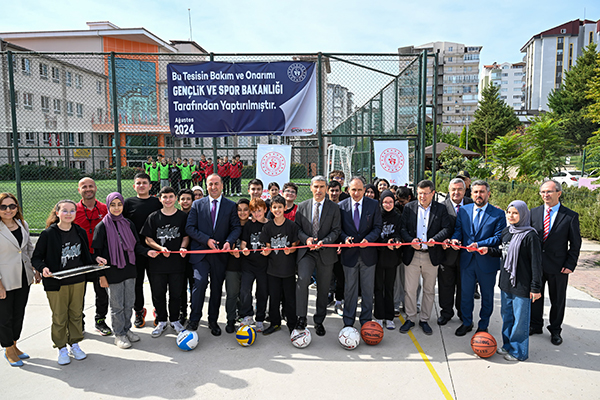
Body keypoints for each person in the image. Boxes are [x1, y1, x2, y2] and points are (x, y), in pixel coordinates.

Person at [32, 200, 105, 365]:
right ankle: (61, 348)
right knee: (59, 316)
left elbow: (85, 255)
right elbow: (36, 258)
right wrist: (43, 268)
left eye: (72, 211)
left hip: (77, 280)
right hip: (57, 283)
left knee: (76, 313)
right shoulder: (48, 234)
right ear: (57, 212)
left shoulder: (79, 231)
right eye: (65, 211)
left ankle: (75, 343)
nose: (69, 214)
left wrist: (95, 258)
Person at [92, 192, 158, 349]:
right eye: (113, 205)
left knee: (129, 303)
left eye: (119, 204)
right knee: (117, 306)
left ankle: (126, 330)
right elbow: (96, 254)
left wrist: (147, 251)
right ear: (108, 206)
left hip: (129, 269)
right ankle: (119, 334)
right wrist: (101, 275)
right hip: (113, 271)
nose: (116, 208)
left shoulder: (128, 223)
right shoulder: (101, 227)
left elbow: (135, 245)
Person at [480, 200, 542, 361]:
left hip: (522, 284)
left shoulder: (530, 236)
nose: (511, 216)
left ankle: (518, 351)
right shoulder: (507, 232)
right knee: (507, 317)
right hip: (506, 282)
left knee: (520, 320)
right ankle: (507, 345)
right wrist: (488, 250)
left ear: (523, 214)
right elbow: (503, 252)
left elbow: (536, 263)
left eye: (515, 213)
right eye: (509, 212)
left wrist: (536, 288)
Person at [447, 180, 506, 336]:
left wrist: (480, 244)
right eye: (475, 192)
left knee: (487, 297)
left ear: (488, 193)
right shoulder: (464, 211)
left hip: (487, 262)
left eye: (481, 192)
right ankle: (467, 322)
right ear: (470, 193)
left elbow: (499, 237)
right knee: (465, 295)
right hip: (467, 261)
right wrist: (455, 239)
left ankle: (483, 325)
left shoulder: (498, 214)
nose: (478, 195)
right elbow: (458, 230)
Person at [185, 174, 241, 335]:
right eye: (210, 184)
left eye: (216, 184)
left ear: (222, 186)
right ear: (207, 186)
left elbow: (236, 227)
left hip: (220, 254)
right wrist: (206, 240)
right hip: (201, 253)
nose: (213, 187)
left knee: (217, 288)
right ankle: (194, 319)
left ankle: (213, 321)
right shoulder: (197, 204)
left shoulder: (230, 206)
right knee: (200, 282)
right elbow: (190, 227)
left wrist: (229, 242)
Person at [530, 180, 581, 346]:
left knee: (557, 300)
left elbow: (575, 243)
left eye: (549, 192)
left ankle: (556, 330)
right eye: (543, 192)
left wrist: (570, 264)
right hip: (537, 265)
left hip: (559, 266)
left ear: (559, 193)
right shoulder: (534, 213)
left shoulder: (570, 216)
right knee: (535, 297)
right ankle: (536, 325)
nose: (546, 195)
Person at [399, 180, 451, 335]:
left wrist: (435, 239)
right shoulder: (409, 207)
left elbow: (447, 228)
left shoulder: (441, 209)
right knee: (410, 289)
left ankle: (424, 319)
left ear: (433, 193)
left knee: (429, 290)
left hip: (431, 256)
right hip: (412, 255)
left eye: (425, 193)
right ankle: (410, 318)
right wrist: (410, 240)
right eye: (419, 193)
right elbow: (402, 228)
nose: (422, 196)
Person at [295, 176, 341, 336]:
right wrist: (306, 239)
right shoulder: (302, 206)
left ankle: (319, 321)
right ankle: (301, 318)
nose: (319, 190)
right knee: (302, 280)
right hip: (307, 252)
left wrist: (324, 241)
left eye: (322, 187)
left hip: (325, 252)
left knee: (323, 287)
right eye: (316, 186)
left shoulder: (334, 208)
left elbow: (336, 230)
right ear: (310, 187)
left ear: (326, 189)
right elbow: (298, 228)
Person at [142, 186, 190, 337]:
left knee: (176, 294)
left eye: (170, 197)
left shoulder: (182, 217)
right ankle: (162, 320)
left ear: (175, 198)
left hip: (177, 264)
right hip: (158, 265)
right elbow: (148, 239)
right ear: (160, 199)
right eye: (165, 197)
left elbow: (186, 236)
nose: (168, 200)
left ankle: (175, 320)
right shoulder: (153, 217)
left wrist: (182, 248)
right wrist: (160, 248)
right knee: (158, 293)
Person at [0, 193, 40, 367]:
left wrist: (36, 269)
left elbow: (29, 249)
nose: (8, 210)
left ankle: (15, 345)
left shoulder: (22, 224)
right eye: (3, 207)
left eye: (12, 206)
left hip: (23, 277)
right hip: (4, 279)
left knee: (18, 313)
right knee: (4, 316)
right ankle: (8, 349)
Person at [338, 176, 382, 327]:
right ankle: (348, 322)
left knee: (368, 291)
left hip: (368, 255)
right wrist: (344, 239)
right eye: (353, 190)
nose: (356, 193)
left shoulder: (374, 204)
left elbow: (377, 227)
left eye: (359, 190)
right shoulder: (341, 206)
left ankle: (366, 321)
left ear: (364, 190)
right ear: (348, 190)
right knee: (349, 290)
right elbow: (339, 229)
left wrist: (369, 239)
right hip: (349, 255)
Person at [123, 173, 162, 328]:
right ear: (134, 186)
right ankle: (139, 311)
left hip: (154, 250)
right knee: (137, 283)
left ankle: (159, 310)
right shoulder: (128, 203)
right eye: (138, 183)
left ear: (150, 186)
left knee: (157, 283)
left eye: (144, 183)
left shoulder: (157, 202)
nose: (141, 185)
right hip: (135, 251)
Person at [74, 177, 111, 336]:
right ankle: (78, 322)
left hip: (99, 257)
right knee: (77, 294)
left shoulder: (105, 208)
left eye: (91, 186)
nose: (88, 189)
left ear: (96, 188)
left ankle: (100, 320)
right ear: (79, 190)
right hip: (79, 259)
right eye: (84, 187)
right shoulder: (72, 210)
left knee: (101, 291)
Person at [260, 195, 299, 335]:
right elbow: (268, 247)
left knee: (290, 299)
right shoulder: (268, 226)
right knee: (274, 298)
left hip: (288, 270)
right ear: (271, 209)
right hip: (273, 270)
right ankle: (275, 323)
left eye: (280, 207)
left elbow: (295, 246)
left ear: (285, 208)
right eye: (274, 207)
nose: (277, 210)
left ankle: (292, 324)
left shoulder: (291, 226)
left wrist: (291, 250)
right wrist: (266, 252)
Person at [437, 178, 473, 326]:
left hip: (466, 255)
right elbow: (436, 228)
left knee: (464, 287)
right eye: (453, 189)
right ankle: (446, 313)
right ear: (449, 190)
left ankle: (463, 313)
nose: (456, 192)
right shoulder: (441, 207)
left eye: (460, 189)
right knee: (446, 286)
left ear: (465, 191)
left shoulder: (472, 204)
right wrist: (443, 241)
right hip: (447, 255)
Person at [238, 198, 268, 333]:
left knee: (262, 292)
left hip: (263, 265)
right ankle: (248, 315)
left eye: (259, 211)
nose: (256, 214)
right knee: (245, 290)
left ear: (265, 210)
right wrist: (243, 249)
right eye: (254, 211)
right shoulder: (249, 225)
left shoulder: (269, 225)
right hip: (248, 264)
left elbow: (269, 245)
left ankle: (260, 318)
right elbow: (244, 242)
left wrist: (267, 250)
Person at [374, 190, 401, 330]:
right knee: (378, 288)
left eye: (390, 202)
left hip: (392, 258)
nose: (388, 204)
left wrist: (395, 240)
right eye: (385, 202)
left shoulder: (397, 216)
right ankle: (378, 315)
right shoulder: (377, 215)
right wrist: (385, 242)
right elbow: (374, 234)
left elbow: (399, 233)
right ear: (381, 202)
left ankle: (389, 317)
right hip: (378, 257)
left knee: (389, 287)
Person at [225, 198, 250, 333]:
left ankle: (243, 316)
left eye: (245, 209)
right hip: (232, 266)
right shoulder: (231, 226)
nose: (242, 212)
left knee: (245, 294)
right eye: (239, 210)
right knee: (232, 293)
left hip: (248, 266)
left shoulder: (253, 225)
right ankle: (230, 319)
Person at [327, 180, 345, 315]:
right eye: (331, 190)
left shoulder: (344, 207)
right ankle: (328, 296)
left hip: (341, 246)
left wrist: (342, 243)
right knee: (327, 275)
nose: (334, 193)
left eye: (336, 190)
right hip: (326, 245)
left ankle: (339, 302)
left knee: (340, 275)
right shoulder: (324, 206)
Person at [177, 188, 194, 324]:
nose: (185, 201)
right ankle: (183, 312)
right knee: (181, 286)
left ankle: (195, 311)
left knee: (194, 285)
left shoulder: (197, 215)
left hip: (194, 256)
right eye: (183, 199)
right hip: (180, 257)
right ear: (179, 201)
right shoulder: (176, 215)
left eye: (188, 199)